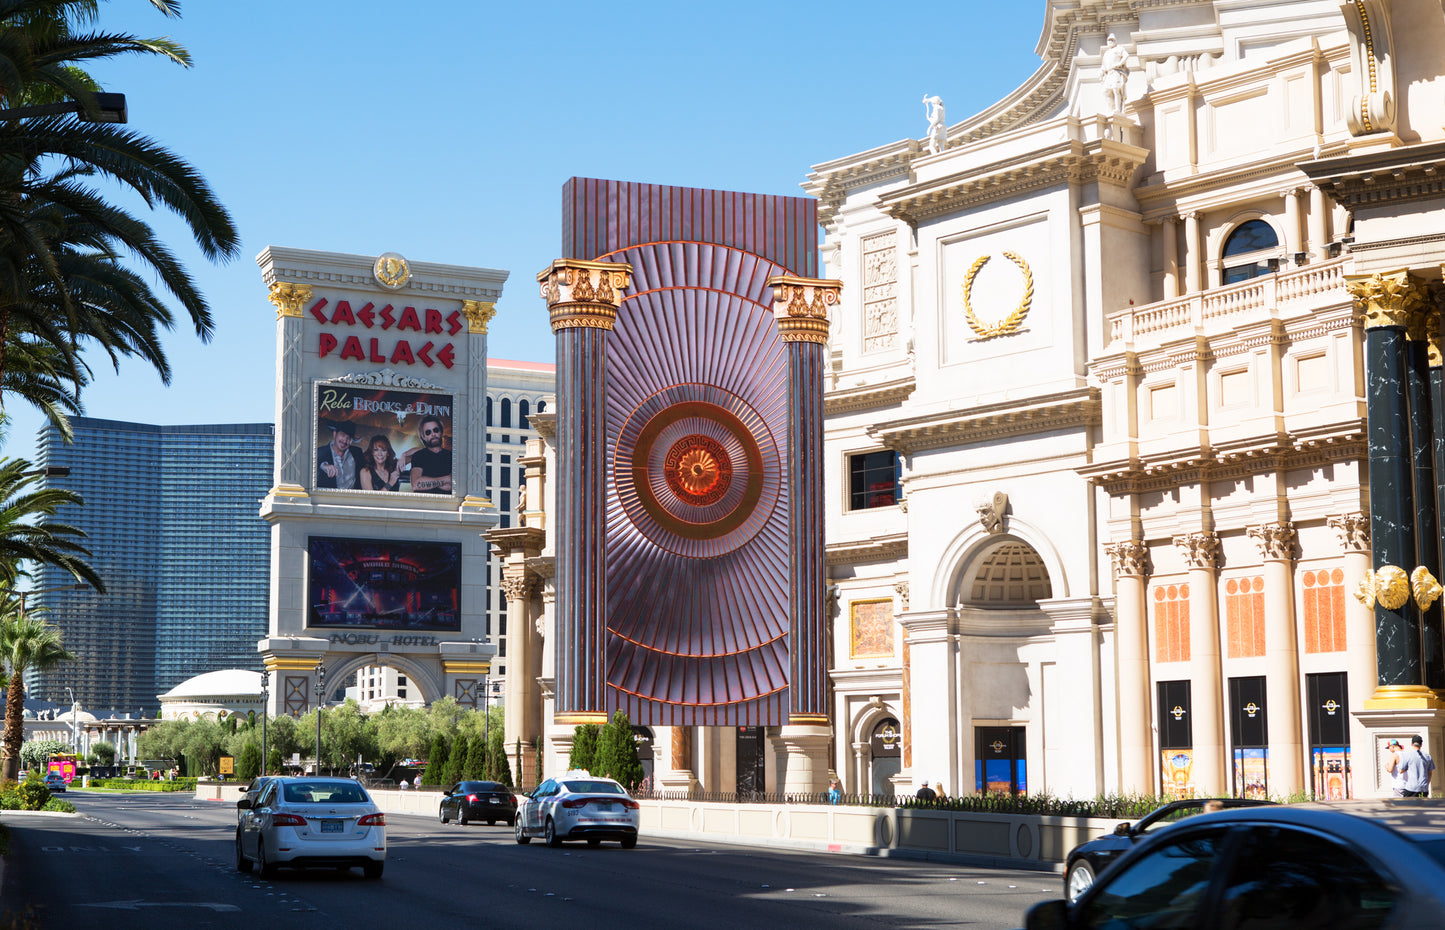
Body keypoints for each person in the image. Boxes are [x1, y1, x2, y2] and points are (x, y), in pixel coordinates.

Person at [403, 415, 452, 494]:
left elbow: (452, 486)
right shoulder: (418, 456)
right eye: (428, 432)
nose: (433, 434)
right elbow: (416, 485)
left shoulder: (451, 456)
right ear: (423, 437)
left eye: (436, 430)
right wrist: (447, 479)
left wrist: (427, 482)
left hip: (447, 501)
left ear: (441, 432)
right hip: (424, 501)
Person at [316, 420, 365, 489]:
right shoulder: (320, 452)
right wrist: (323, 465)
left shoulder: (357, 452)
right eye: (342, 435)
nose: (345, 441)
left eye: (348, 438)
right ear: (334, 434)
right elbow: (309, 466)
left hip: (352, 495)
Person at [1100, 34, 1130, 115]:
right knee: (1105, 91)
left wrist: (1120, 63)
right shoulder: (1106, 53)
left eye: (1112, 40)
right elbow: (1104, 65)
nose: (1110, 42)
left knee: (1116, 89)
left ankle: (1118, 108)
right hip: (1109, 73)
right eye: (1109, 40)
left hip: (1116, 71)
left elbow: (1126, 55)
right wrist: (1101, 73)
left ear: (1115, 41)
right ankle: (1111, 108)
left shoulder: (1119, 49)